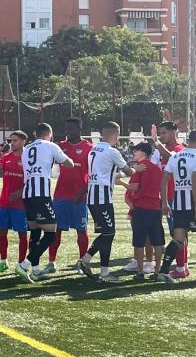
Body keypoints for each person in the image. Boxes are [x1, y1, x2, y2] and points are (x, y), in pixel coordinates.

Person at [15, 123, 74, 283]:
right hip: (41, 194)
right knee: (50, 233)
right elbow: (69, 163)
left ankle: (35, 270)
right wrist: (64, 158)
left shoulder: (26, 149)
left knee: (35, 233)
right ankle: (24, 264)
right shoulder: (50, 145)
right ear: (49, 133)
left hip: (28, 194)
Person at [78, 121, 136, 283]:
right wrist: (135, 170)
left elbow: (107, 174)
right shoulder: (112, 151)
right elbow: (128, 171)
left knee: (106, 234)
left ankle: (90, 263)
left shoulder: (93, 150)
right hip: (102, 198)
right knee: (109, 233)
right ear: (115, 135)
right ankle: (99, 270)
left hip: (93, 197)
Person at [43, 117, 92, 274]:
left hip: (79, 197)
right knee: (55, 230)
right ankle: (51, 262)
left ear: (79, 129)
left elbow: (93, 175)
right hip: (60, 196)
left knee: (81, 231)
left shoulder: (89, 148)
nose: (67, 132)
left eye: (71, 129)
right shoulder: (60, 147)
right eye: (66, 129)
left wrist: (83, 191)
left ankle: (83, 263)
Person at [148, 121, 187, 277]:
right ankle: (181, 266)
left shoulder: (179, 149)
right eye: (160, 133)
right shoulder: (164, 150)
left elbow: (171, 158)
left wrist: (156, 142)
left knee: (177, 234)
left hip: (177, 199)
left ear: (173, 132)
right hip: (167, 197)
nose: (161, 136)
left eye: (164, 133)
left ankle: (180, 268)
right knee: (177, 234)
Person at [122, 142, 165, 280]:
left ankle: (140, 271)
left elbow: (134, 188)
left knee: (139, 241)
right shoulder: (157, 168)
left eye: (136, 151)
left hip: (141, 208)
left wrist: (122, 183)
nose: (134, 153)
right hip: (155, 207)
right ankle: (157, 271)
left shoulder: (139, 168)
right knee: (157, 241)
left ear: (143, 153)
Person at [158, 130, 196, 283]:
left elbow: (164, 180)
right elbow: (194, 181)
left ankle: (164, 270)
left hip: (179, 202)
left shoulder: (176, 156)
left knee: (178, 239)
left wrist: (164, 202)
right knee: (179, 239)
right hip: (192, 202)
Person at [0, 130, 28, 272]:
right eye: (11, 140)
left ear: (22, 142)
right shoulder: (6, 157)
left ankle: (21, 263)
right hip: (5, 202)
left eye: (15, 141)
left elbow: (32, 180)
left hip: (21, 205)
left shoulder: (28, 159)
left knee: (22, 234)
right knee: (2, 232)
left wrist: (20, 193)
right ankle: (4, 261)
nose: (12, 143)